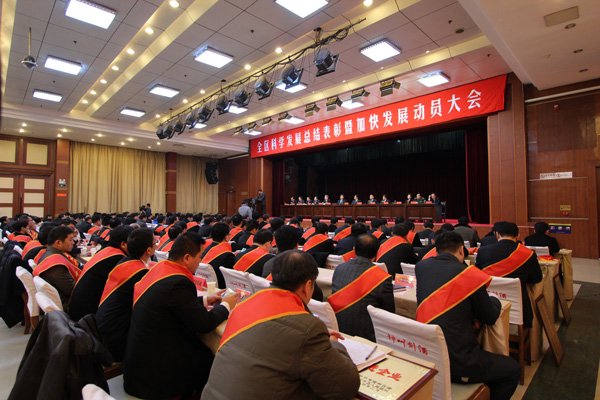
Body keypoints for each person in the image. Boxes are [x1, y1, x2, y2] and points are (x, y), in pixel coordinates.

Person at [202, 250, 360, 400]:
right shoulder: (308, 328)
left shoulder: (243, 305)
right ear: (307, 286)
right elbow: (346, 387)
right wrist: (333, 344)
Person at [123, 233, 239, 399]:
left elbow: (173, 302)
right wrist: (227, 305)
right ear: (187, 258)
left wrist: (205, 300)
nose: (200, 261)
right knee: (212, 358)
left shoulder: (160, 269)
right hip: (155, 374)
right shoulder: (178, 281)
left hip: (139, 362)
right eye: (199, 257)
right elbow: (204, 323)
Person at [416, 232, 520, 400]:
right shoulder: (469, 274)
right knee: (512, 370)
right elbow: (489, 317)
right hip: (459, 361)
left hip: (427, 353)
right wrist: (495, 300)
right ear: (461, 250)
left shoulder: (421, 267)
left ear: (435, 251)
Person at [95, 228, 155, 362]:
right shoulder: (140, 272)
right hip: (116, 339)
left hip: (102, 329)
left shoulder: (123, 262)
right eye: (154, 243)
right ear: (149, 250)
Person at [475, 222, 542, 328]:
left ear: (497, 234)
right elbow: (537, 278)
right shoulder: (528, 254)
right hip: (521, 310)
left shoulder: (483, 251)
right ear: (518, 236)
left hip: (487, 308)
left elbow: (477, 276)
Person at [330, 234, 394, 341]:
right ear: (377, 253)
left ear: (354, 249)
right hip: (367, 337)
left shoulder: (340, 268)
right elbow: (388, 315)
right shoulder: (383, 277)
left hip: (337, 329)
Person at [69, 226, 133, 321]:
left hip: (77, 308)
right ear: (123, 244)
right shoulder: (117, 259)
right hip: (87, 317)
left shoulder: (104, 250)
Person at [33, 226, 79, 310]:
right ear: (58, 243)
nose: (73, 242)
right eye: (70, 240)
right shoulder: (55, 264)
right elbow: (73, 291)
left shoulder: (50, 253)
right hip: (70, 304)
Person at [201, 222, 235, 288]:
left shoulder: (207, 249)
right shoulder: (228, 256)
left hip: (206, 285)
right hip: (220, 288)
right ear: (226, 237)